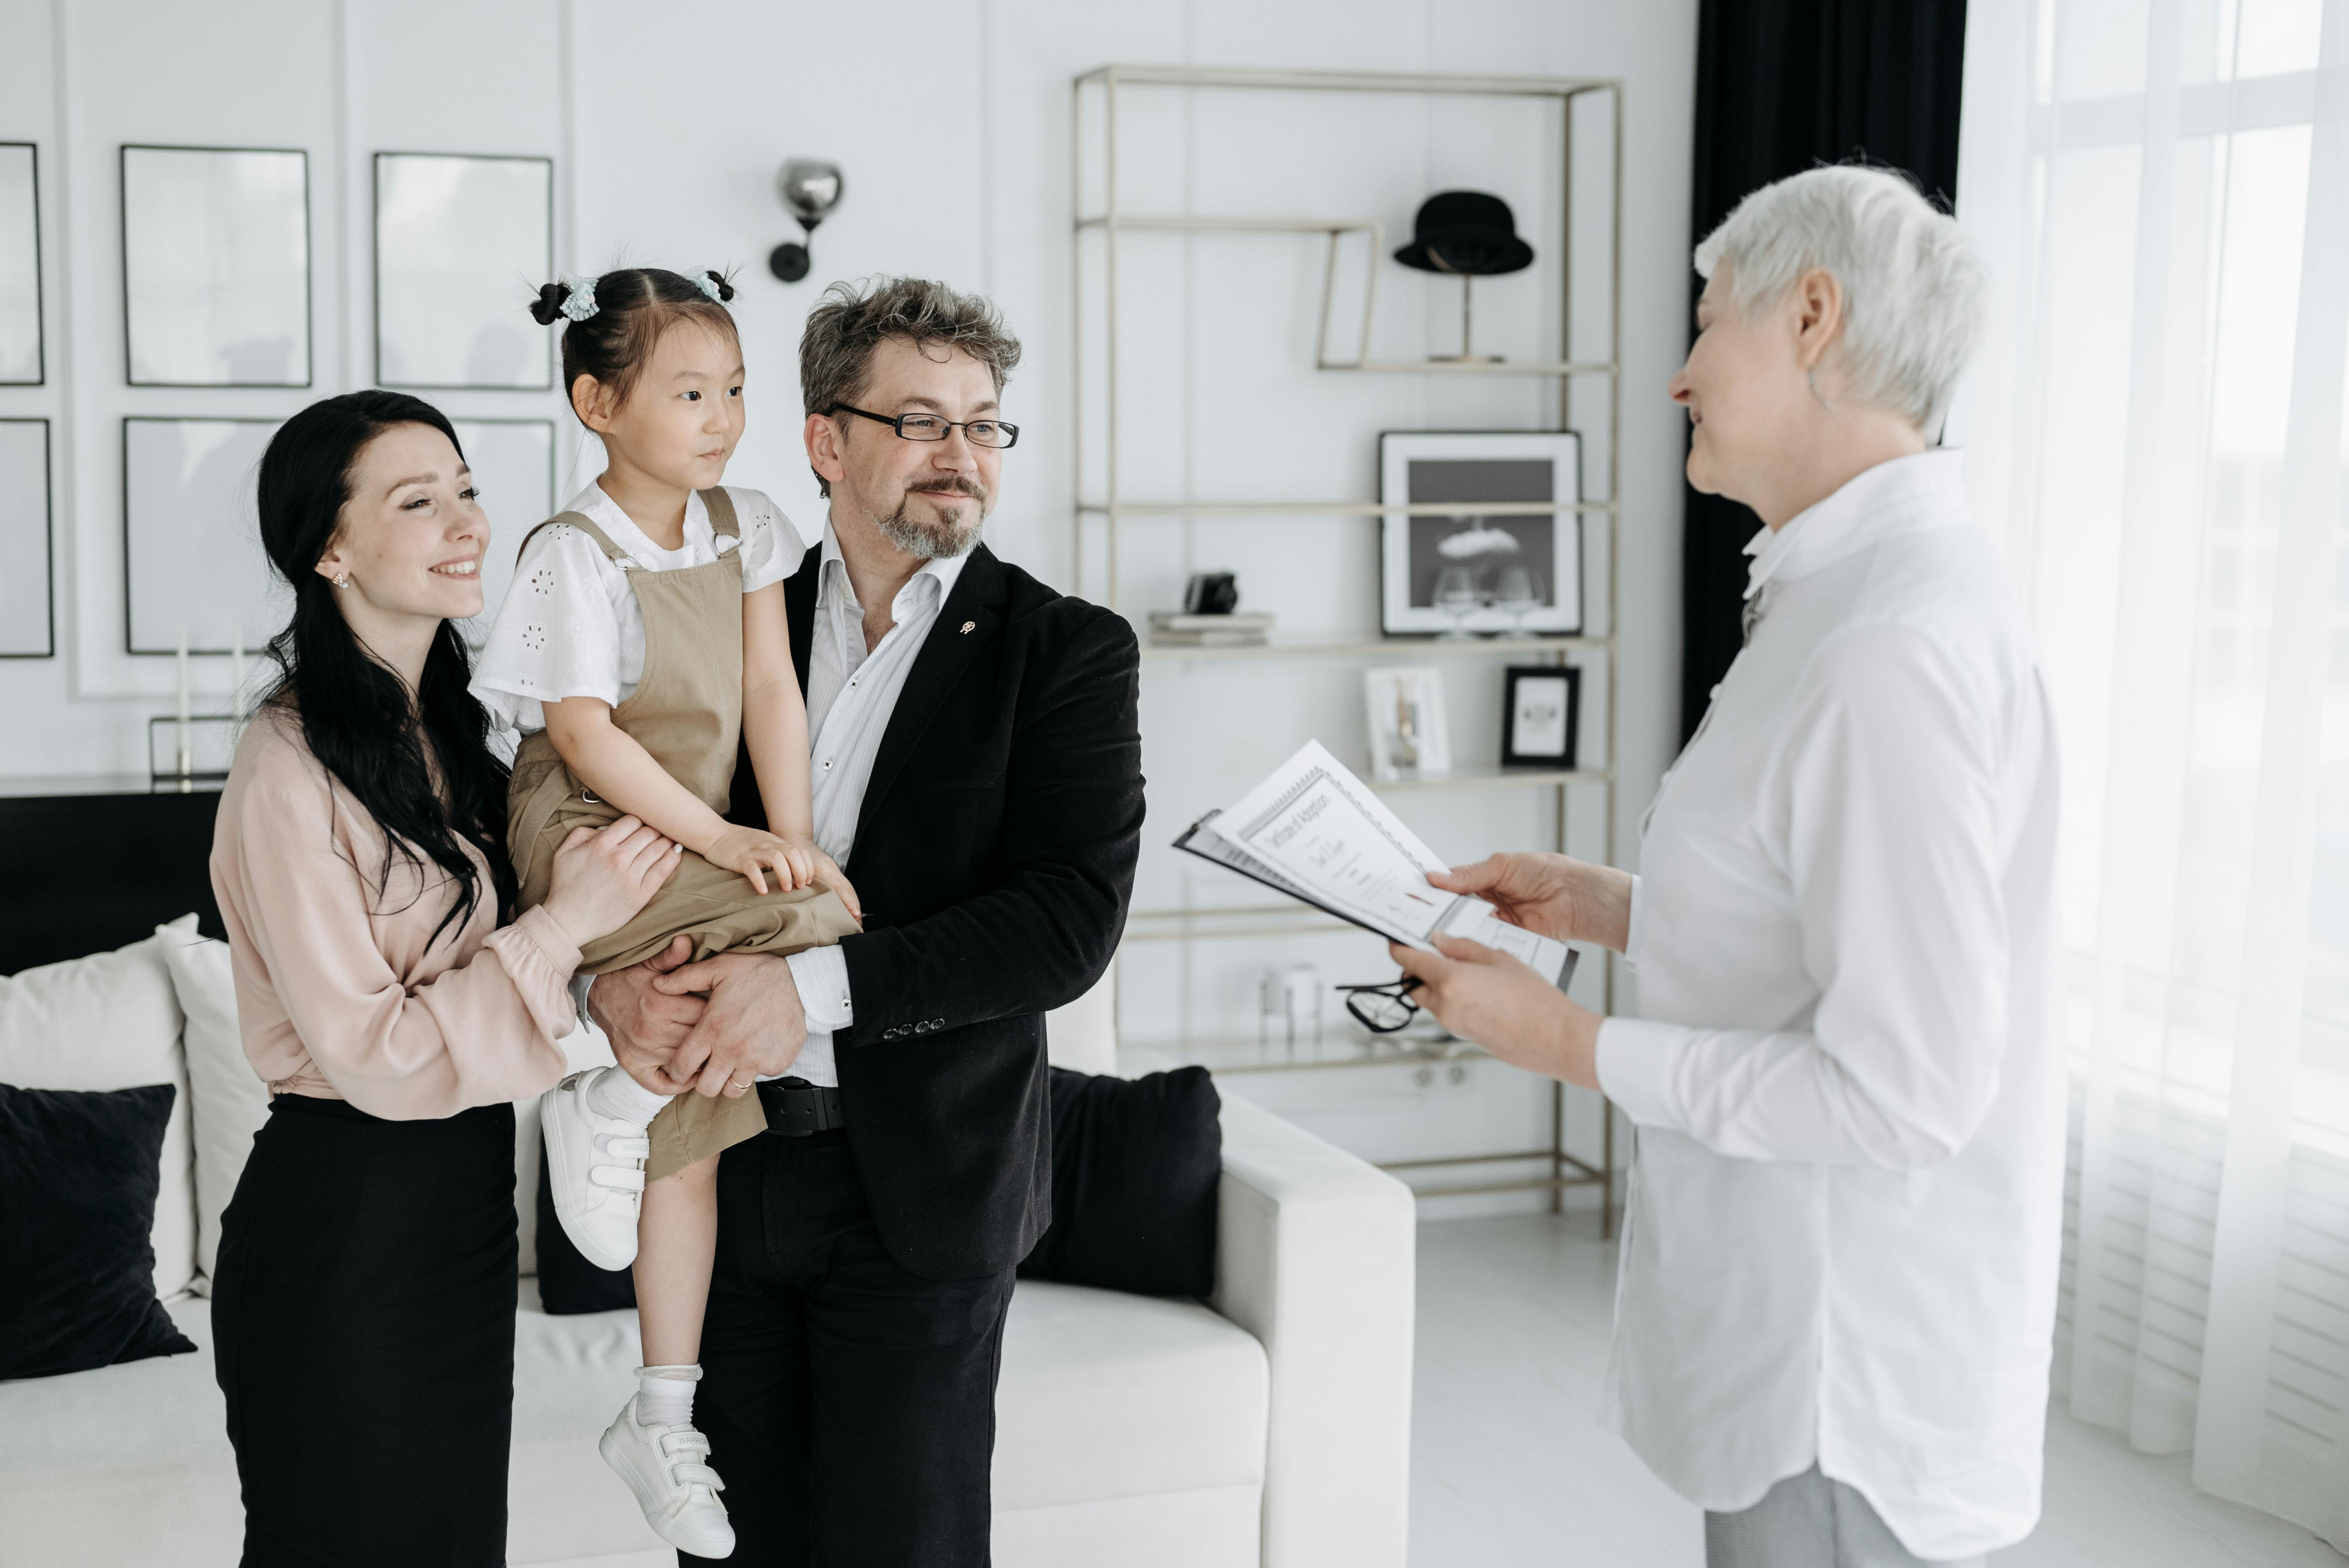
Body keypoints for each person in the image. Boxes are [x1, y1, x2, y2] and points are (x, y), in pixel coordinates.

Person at [1389, 166, 2063, 1568]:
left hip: (1843, 1379)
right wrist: (1610, 909)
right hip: (1795, 1347)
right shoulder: (1844, 599)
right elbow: (1824, 918)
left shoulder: (1888, 644)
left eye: (1707, 324)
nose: (1682, 373)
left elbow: (1905, 1090)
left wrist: (1575, 1045)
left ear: (1812, 317)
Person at [584, 275, 1144, 1566]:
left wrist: (811, 988)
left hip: (927, 1187)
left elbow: (1067, 924)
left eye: (985, 425)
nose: (964, 457)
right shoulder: (715, 611)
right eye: (922, 421)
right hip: (714, 1166)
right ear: (825, 440)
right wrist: (598, 992)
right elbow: (592, 815)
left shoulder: (1066, 652)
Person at [208, 390, 680, 1566]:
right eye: (418, 502)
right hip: (342, 1228)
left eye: (466, 488)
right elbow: (380, 1055)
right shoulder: (285, 765)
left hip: (466, 1217)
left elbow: (522, 992)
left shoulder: (463, 737)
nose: (467, 521)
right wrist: (565, 925)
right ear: (329, 548)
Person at [472, 266, 864, 1557]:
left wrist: (791, 839)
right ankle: (608, 1097)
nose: (723, 417)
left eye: (737, 390)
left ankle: (662, 1409)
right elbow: (581, 736)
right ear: (597, 401)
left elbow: (769, 689)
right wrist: (730, 840)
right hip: (592, 825)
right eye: (690, 392)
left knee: (700, 1123)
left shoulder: (746, 523)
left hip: (688, 831)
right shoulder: (571, 552)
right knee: (826, 928)